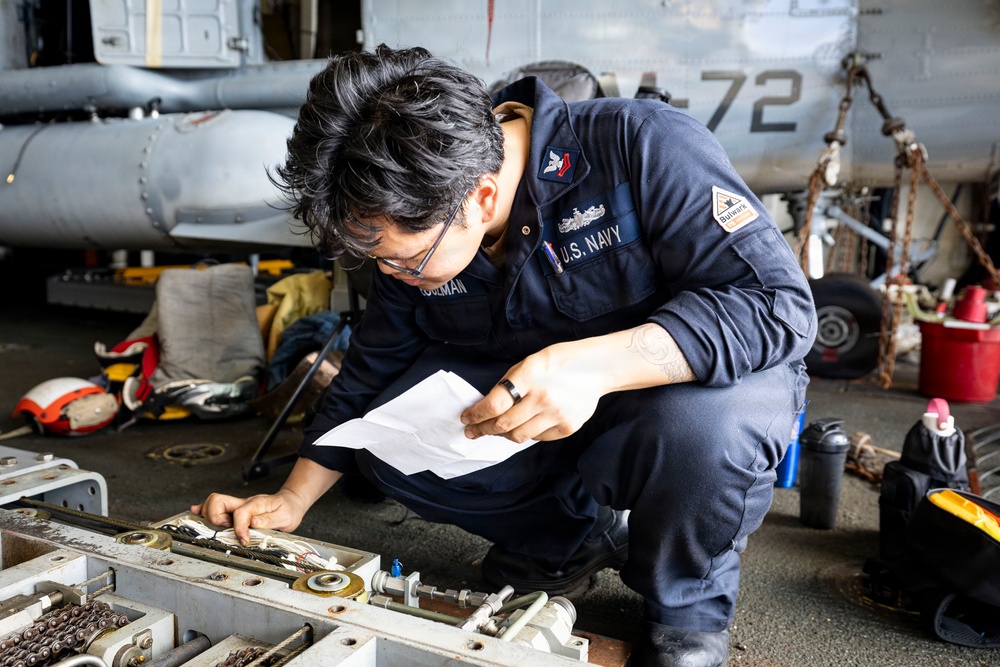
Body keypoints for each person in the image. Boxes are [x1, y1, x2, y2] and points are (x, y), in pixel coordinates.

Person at [194, 44, 817, 667]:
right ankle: (571, 539)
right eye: (376, 258)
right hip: (529, 396)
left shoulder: (643, 144)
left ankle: (687, 608)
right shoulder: (413, 201)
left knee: (699, 434)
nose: (391, 272)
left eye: (402, 260)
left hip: (677, 391)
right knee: (383, 437)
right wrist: (293, 499)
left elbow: (777, 306)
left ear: (482, 199)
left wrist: (592, 367)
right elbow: (372, 366)